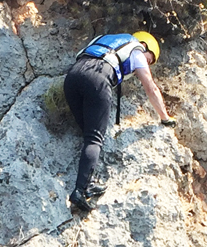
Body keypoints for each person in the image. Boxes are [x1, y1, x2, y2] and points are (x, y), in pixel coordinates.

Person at [62, 30, 176, 212]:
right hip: (98, 79)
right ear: (145, 45)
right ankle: (81, 190)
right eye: (149, 60)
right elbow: (151, 87)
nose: (146, 63)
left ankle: (87, 182)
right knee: (94, 139)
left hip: (72, 77)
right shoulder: (137, 50)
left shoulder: (105, 40)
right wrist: (165, 118)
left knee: (87, 133)